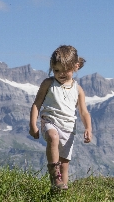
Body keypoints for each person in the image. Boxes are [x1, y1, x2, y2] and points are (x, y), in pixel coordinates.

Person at [29, 45, 92, 190]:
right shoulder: (48, 84)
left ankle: (61, 194)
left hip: (69, 129)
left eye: (65, 71)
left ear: (75, 67)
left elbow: (83, 112)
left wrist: (88, 128)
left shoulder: (78, 89)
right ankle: (53, 174)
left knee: (64, 165)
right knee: (53, 136)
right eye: (57, 70)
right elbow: (37, 104)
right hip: (50, 122)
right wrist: (33, 124)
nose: (61, 74)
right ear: (52, 68)